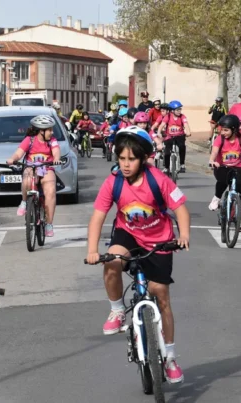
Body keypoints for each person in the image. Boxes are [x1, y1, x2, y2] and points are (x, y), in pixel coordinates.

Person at [85, 126, 191, 384]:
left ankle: (170, 356)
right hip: (128, 235)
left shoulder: (159, 180)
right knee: (111, 262)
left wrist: (184, 234)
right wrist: (91, 251)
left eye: (131, 159)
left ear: (143, 158)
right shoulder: (114, 182)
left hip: (160, 239)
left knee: (161, 295)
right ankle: (117, 310)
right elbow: (98, 217)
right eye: (121, 158)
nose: (125, 164)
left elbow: (180, 209)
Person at [6, 115, 61, 237]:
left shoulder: (52, 140)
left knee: (51, 191)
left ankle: (49, 224)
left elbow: (56, 151)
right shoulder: (29, 140)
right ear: (41, 131)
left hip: (47, 167)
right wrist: (12, 159)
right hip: (31, 167)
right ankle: (25, 202)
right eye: (49, 129)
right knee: (26, 179)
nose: (51, 132)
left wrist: (56, 159)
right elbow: (18, 153)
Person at [207, 114, 241, 232]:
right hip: (222, 167)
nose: (223, 132)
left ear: (234, 129)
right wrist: (212, 161)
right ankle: (217, 197)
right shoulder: (219, 139)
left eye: (226, 130)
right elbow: (214, 151)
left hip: (239, 168)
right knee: (222, 180)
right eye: (222, 130)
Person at [159, 100, 191, 174]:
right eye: (177, 110)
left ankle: (182, 164)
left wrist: (188, 132)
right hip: (169, 136)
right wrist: (159, 132)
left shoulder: (182, 116)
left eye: (180, 109)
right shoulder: (168, 116)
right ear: (172, 111)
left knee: (182, 146)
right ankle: (166, 167)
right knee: (167, 151)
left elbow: (186, 124)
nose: (179, 111)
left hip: (179, 135)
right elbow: (161, 125)